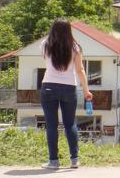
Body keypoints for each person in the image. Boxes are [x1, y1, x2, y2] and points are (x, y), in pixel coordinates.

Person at [40, 19, 94, 170]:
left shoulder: (45, 44)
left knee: (51, 125)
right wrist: (86, 90)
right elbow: (80, 70)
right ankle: (74, 160)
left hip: (49, 86)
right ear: (69, 30)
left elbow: (46, 61)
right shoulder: (75, 47)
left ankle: (53, 161)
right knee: (70, 124)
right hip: (69, 88)